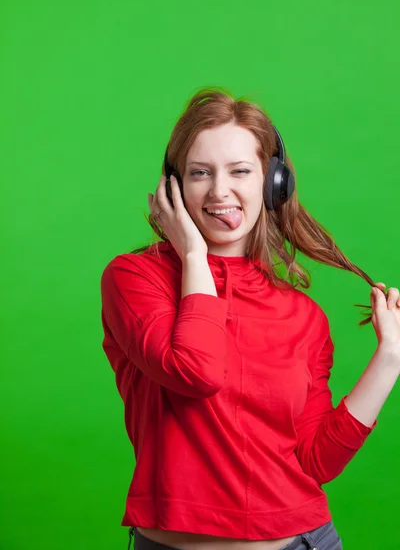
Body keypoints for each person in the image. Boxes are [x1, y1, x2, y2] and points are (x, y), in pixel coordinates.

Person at [100, 87, 400, 550]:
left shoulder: (303, 315)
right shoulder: (136, 278)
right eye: (200, 173)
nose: (220, 191)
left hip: (303, 541)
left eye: (240, 171)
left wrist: (390, 359)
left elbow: (316, 461)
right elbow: (195, 369)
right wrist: (195, 255)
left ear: (273, 182)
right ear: (174, 187)